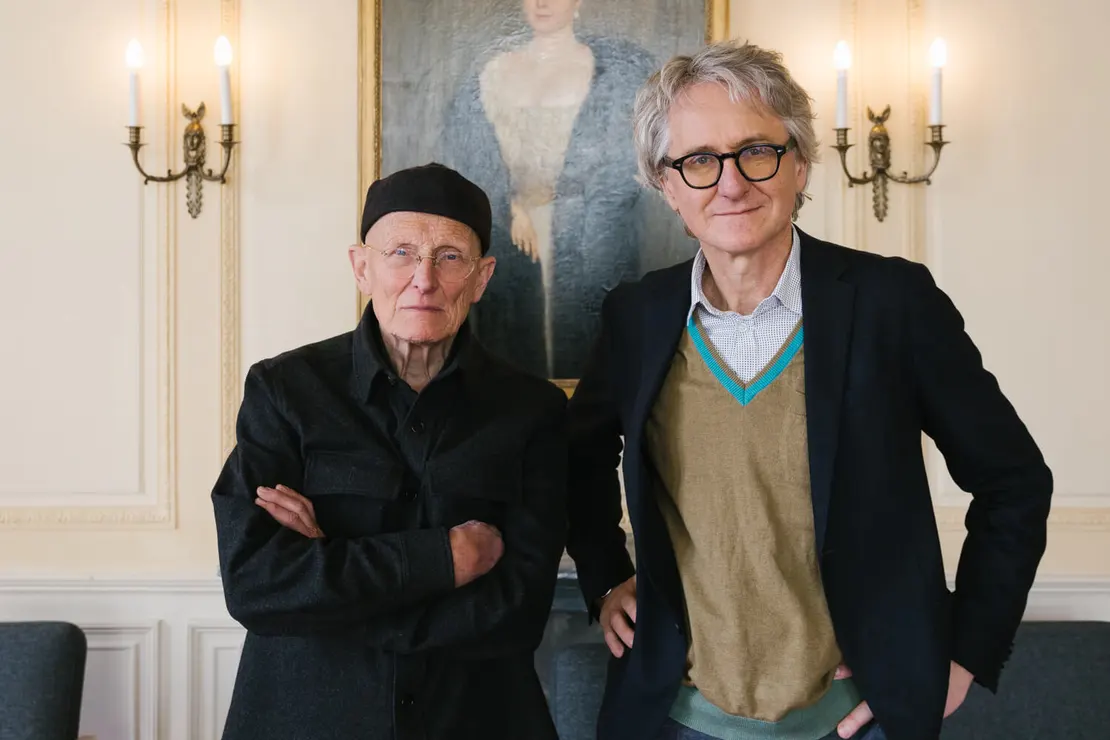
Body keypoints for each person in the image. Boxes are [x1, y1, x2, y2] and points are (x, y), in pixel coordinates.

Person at [565, 41, 1053, 740]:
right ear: (666, 185)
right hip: (672, 716)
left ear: (798, 163)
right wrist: (606, 576)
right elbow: (575, 461)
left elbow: (1014, 481)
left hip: (854, 721)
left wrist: (963, 653)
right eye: (699, 161)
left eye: (756, 151)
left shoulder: (891, 303)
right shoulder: (635, 318)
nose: (731, 183)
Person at [212, 163, 568, 740]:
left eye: (449, 256)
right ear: (362, 267)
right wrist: (441, 561)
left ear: (481, 278)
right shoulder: (284, 391)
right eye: (400, 252)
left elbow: (516, 613)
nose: (423, 279)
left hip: (476, 721)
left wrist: (329, 577)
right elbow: (256, 584)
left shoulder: (533, 412)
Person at [443, 0, 658, 379]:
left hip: (584, 228)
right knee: (513, 330)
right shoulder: (497, 70)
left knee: (582, 325)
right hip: (510, 225)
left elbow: (617, 165)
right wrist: (512, 208)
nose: (542, 2)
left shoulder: (608, 72)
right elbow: (479, 157)